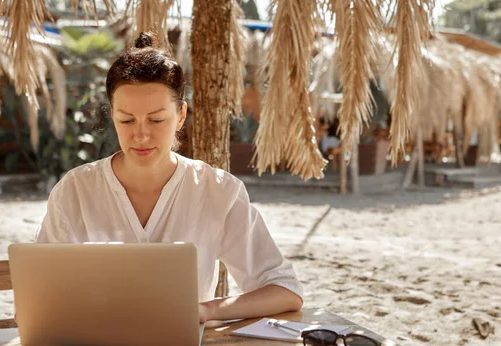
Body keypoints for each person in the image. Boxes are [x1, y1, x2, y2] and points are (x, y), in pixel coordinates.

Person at [35, 32, 303, 323]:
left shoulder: (217, 190)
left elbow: (285, 290)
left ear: (181, 116)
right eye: (126, 120)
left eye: (156, 119)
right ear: (112, 115)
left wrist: (202, 311)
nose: (140, 134)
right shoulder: (75, 190)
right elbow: (40, 294)